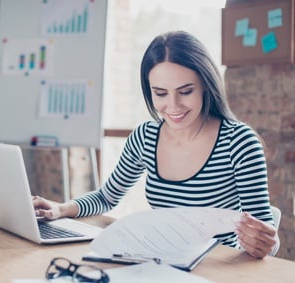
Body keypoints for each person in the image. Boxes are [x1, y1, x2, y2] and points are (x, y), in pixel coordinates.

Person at [33, 30, 279, 259]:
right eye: (160, 93)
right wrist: (61, 209)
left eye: (185, 91)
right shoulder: (145, 137)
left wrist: (265, 242)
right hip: (161, 262)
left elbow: (266, 234)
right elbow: (107, 197)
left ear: (205, 84)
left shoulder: (239, 142)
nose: (173, 106)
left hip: (217, 268)